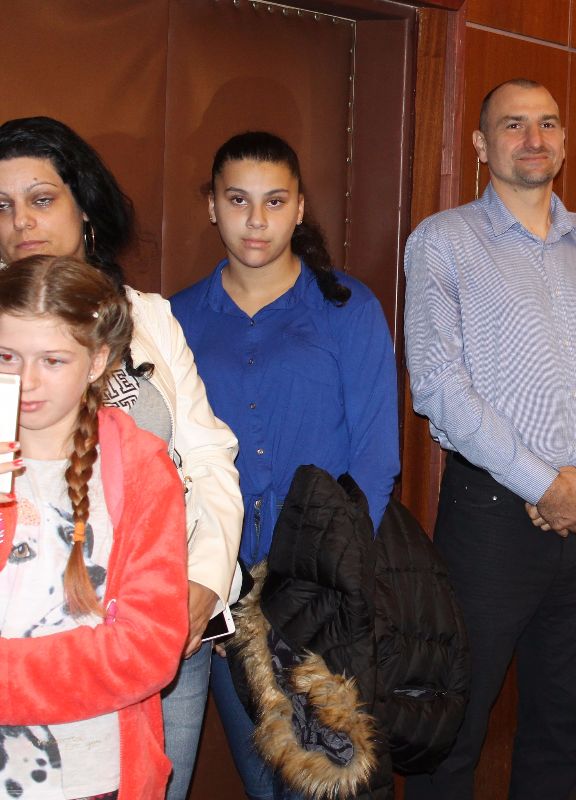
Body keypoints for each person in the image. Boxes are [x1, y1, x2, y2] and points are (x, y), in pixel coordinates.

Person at [402, 79, 576, 800]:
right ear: (481, 145)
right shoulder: (444, 241)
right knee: (453, 725)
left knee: (566, 724)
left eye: (547, 123)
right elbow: (439, 385)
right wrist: (545, 484)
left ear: (566, 142)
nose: (534, 139)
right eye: (513, 125)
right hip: (490, 517)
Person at [0, 116, 241, 799]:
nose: (21, 221)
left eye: (41, 198)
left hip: (157, 614)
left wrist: (204, 579)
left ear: (83, 207)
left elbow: (207, 455)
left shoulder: (148, 317)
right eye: (2, 205)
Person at [170, 131, 400, 799]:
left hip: (325, 592)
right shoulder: (175, 318)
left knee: (327, 784)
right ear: (212, 205)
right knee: (269, 786)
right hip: (229, 593)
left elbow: (376, 460)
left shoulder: (347, 307)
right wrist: (210, 583)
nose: (256, 220)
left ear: (299, 208)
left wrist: (330, 580)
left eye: (274, 201)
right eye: (238, 200)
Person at [0, 255, 188, 799]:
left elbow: (148, 648)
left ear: (97, 360)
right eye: (7, 356)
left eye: (53, 360)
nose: (27, 381)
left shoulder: (138, 468)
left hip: (89, 772)